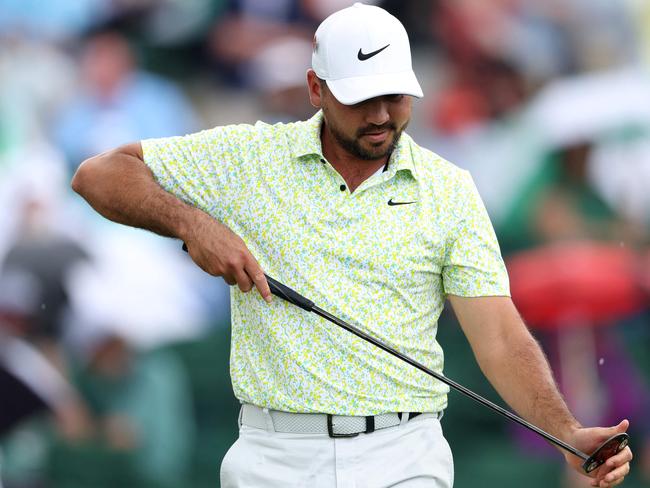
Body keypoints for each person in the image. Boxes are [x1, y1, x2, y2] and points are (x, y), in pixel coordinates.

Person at [71, 3, 633, 487]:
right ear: (317, 89)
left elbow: (500, 335)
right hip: (274, 455)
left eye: (395, 96)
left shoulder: (450, 190)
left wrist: (564, 431)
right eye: (362, 98)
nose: (382, 115)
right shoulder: (247, 159)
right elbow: (98, 175)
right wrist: (195, 225)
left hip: (404, 452)